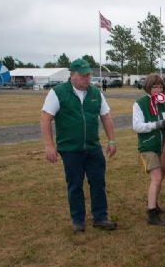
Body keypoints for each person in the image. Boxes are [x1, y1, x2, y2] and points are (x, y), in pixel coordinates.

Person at [40, 58, 117, 233]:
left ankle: (100, 217)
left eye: (89, 75)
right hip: (70, 149)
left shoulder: (95, 93)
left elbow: (106, 116)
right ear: (72, 75)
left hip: (92, 147)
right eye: (83, 76)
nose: (87, 79)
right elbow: (46, 118)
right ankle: (78, 220)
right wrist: (49, 145)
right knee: (75, 185)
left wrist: (111, 140)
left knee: (98, 182)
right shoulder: (58, 92)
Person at [132, 74, 165, 226]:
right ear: (148, 87)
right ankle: (151, 212)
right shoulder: (140, 103)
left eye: (160, 86)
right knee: (156, 177)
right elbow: (137, 126)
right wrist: (156, 124)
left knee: (160, 178)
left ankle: (154, 204)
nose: (158, 89)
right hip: (148, 146)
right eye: (155, 86)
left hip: (163, 146)